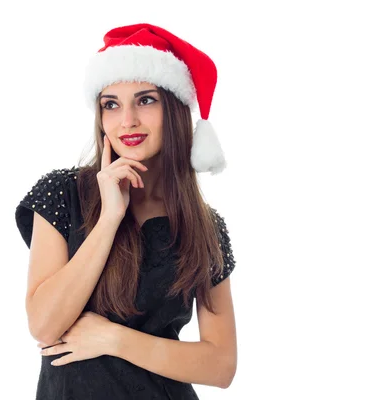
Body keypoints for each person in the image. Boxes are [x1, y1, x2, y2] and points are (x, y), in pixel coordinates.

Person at [14, 23, 237, 399]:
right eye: (111, 104)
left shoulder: (205, 227)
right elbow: (44, 325)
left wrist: (114, 339)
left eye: (146, 100)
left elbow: (221, 365)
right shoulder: (63, 194)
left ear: (176, 110)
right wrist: (109, 220)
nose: (127, 120)